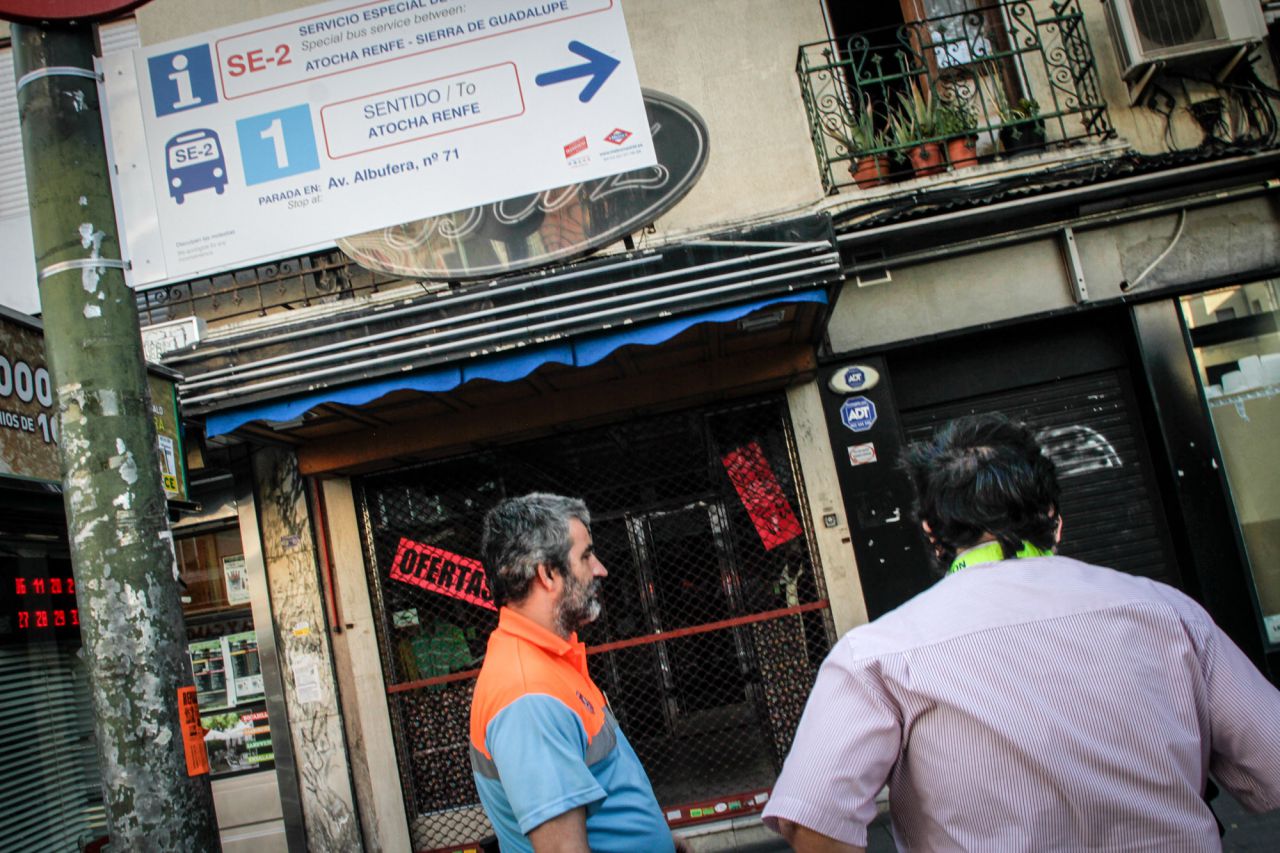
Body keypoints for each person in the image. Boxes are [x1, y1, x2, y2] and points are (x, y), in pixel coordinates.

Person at [763, 413, 1280, 852]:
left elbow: (815, 820)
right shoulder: (1168, 613)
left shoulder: (877, 654)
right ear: (1054, 520)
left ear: (930, 534)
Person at [469, 493, 688, 853]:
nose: (600, 568)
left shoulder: (549, 662)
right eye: (586, 555)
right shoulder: (528, 696)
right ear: (547, 574)